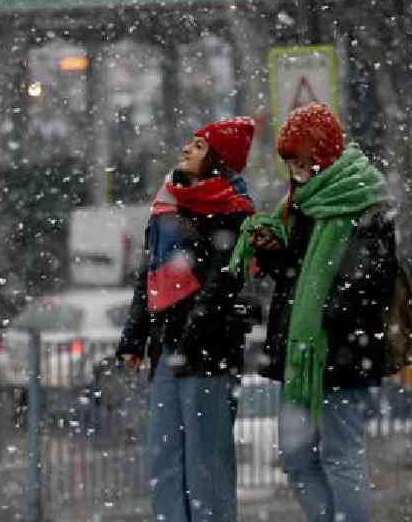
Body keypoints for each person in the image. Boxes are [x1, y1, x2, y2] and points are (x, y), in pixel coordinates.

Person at [231, 102, 396, 522]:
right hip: (301, 354)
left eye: (303, 160)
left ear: (323, 154)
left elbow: (370, 282)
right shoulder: (301, 202)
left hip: (340, 351)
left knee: (342, 455)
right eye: (291, 162)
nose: (298, 170)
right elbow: (295, 273)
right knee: (296, 457)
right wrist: (273, 251)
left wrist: (326, 313)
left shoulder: (363, 201)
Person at [116, 117, 257, 522]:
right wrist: (133, 338)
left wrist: (191, 332)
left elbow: (222, 282)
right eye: (189, 142)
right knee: (165, 456)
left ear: (218, 159)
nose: (186, 149)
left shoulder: (233, 213)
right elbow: (149, 276)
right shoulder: (166, 206)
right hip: (166, 347)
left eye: (198, 146)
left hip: (208, 353)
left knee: (205, 459)